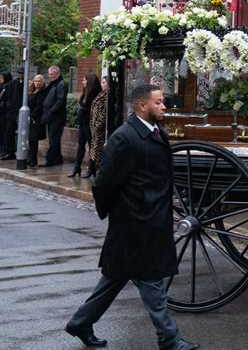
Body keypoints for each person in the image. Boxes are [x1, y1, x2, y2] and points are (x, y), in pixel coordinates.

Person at [65, 83, 197, 350]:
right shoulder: (124, 138)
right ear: (141, 106)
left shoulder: (156, 131)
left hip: (152, 219)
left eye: (163, 102)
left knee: (114, 278)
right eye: (158, 102)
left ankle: (80, 322)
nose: (164, 106)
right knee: (151, 282)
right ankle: (169, 339)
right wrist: (119, 212)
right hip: (135, 223)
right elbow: (104, 183)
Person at [71, 74, 103, 178]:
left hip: (90, 124)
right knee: (81, 146)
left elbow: (93, 110)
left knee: (91, 146)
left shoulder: (94, 94)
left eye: (84, 80)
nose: (83, 82)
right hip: (83, 123)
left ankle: (92, 168)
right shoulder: (85, 93)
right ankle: (77, 168)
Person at [42, 65, 68, 166]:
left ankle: (51, 160)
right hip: (51, 117)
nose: (50, 76)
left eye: (52, 74)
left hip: (57, 117)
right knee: (53, 139)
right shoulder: (53, 84)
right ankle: (57, 158)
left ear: (58, 73)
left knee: (54, 139)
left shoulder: (61, 84)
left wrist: (51, 111)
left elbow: (60, 100)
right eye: (49, 74)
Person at [87, 76, 110, 177]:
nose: (102, 84)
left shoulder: (107, 96)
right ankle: (94, 171)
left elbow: (104, 113)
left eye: (104, 82)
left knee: (98, 150)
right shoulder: (101, 94)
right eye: (102, 82)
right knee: (94, 149)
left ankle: (98, 172)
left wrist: (98, 125)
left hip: (100, 129)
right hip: (94, 127)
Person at [27, 74, 46, 167]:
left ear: (42, 82)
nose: (37, 83)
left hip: (36, 119)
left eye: (39, 81)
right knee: (30, 140)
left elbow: (39, 107)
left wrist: (32, 115)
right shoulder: (32, 91)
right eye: (35, 81)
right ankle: (29, 158)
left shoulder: (43, 92)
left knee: (33, 140)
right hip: (29, 119)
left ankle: (33, 160)